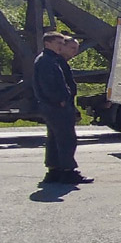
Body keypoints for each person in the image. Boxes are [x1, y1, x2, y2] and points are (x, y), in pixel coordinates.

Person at [32, 31, 90, 184]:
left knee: (54, 139)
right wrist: (61, 101)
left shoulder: (51, 60)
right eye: (58, 43)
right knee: (66, 139)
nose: (61, 46)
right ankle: (67, 171)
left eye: (62, 43)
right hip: (55, 107)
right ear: (47, 43)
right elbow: (48, 85)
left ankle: (54, 171)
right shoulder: (46, 61)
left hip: (53, 107)